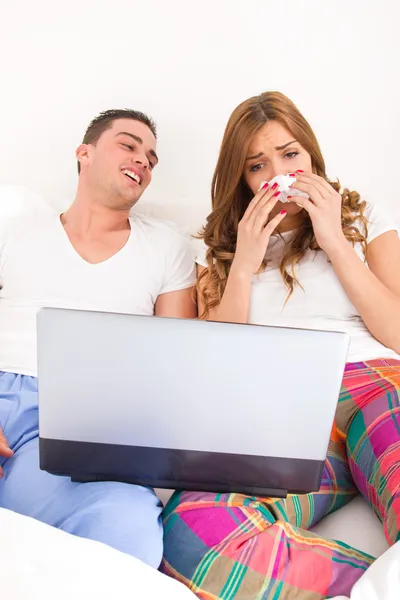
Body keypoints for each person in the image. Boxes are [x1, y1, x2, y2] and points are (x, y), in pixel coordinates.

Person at [161, 92, 400, 599]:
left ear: (310, 155)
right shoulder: (214, 249)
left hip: (374, 381)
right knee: (191, 533)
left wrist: (333, 238)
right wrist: (244, 263)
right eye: (257, 165)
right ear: (242, 178)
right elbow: (215, 364)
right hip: (281, 408)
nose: (278, 173)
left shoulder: (364, 219)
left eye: (290, 155)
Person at [0, 109, 197, 568]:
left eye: (152, 157)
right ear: (83, 153)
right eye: (129, 145)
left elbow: (174, 363)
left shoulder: (167, 248)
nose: (143, 161)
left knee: (126, 531)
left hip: (80, 422)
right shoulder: (15, 230)